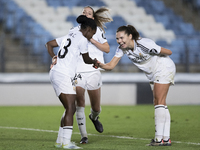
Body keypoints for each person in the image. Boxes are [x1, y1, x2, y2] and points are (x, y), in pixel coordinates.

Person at [97, 25, 176, 146]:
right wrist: (99, 64)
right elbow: (111, 66)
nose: (119, 41)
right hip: (153, 73)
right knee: (160, 102)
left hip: (163, 67)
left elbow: (169, 52)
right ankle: (166, 139)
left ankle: (158, 139)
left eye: (122, 38)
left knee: (159, 101)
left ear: (130, 36)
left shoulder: (144, 44)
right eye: (117, 39)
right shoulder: (121, 49)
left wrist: (155, 50)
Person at [45, 15, 99, 149]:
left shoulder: (71, 34)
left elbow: (49, 44)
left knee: (69, 108)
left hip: (56, 72)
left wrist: (54, 57)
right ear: (89, 29)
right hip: (62, 74)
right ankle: (66, 143)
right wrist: (94, 62)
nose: (92, 36)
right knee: (71, 108)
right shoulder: (82, 39)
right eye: (93, 32)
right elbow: (86, 59)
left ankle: (60, 141)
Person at [71, 6, 113, 144]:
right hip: (78, 70)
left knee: (96, 107)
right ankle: (84, 136)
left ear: (93, 18)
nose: (85, 14)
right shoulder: (73, 31)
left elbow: (107, 49)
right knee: (79, 101)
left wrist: (92, 40)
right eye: (84, 12)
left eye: (88, 13)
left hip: (94, 70)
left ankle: (94, 117)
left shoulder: (98, 31)